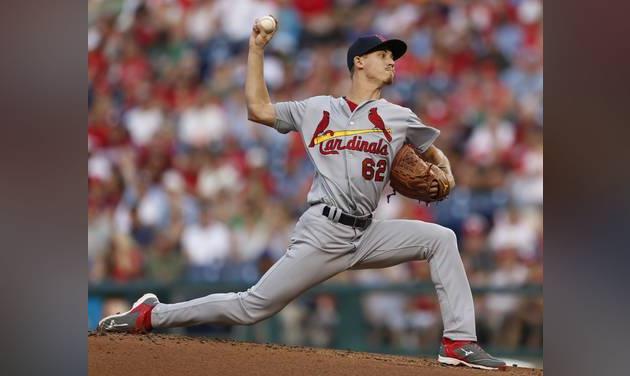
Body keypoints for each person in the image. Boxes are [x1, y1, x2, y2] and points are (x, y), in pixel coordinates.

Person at [98, 18, 506, 371]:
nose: (391, 60)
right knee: (251, 307)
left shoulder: (399, 116)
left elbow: (430, 149)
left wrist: (445, 168)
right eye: (383, 54)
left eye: (393, 56)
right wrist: (256, 50)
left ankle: (458, 342)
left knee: (441, 239)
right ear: (359, 62)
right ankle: (152, 314)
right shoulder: (317, 108)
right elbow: (258, 109)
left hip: (368, 233)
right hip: (323, 232)